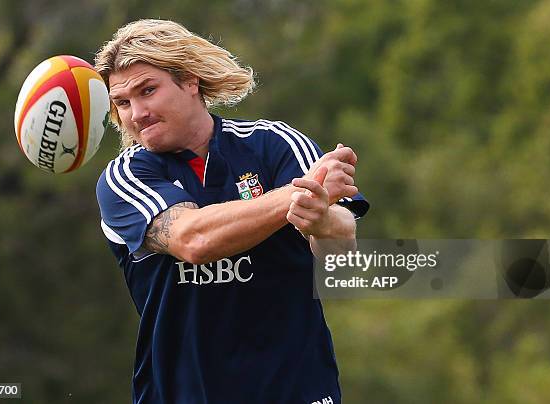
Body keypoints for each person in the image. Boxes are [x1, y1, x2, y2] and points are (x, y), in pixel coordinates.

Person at [94, 19, 369, 404]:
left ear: (190, 81)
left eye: (148, 91)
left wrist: (322, 221)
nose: (136, 113)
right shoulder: (124, 178)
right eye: (123, 103)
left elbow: (340, 259)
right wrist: (293, 197)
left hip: (297, 392)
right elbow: (195, 240)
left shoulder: (274, 144)